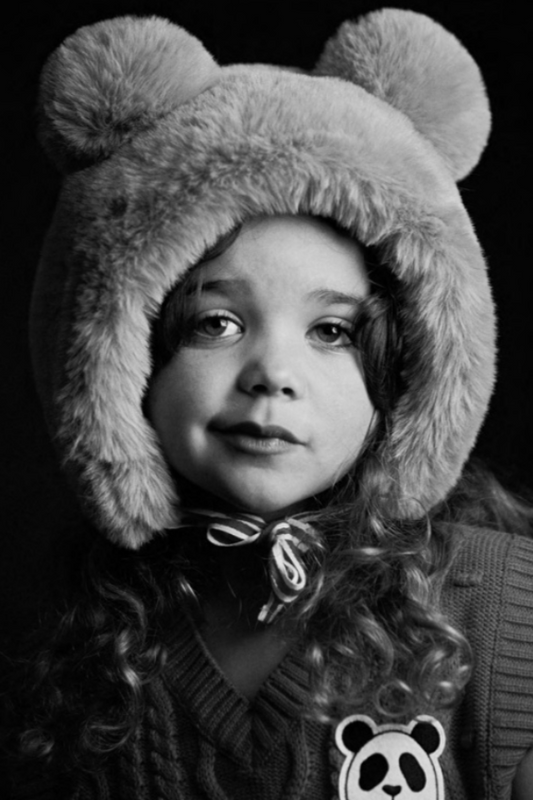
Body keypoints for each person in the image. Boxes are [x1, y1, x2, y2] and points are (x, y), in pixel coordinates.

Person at [3, 7, 533, 799]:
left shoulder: (505, 615)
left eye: (331, 330)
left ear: (409, 370)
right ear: (121, 360)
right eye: (216, 322)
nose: (272, 373)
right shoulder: (74, 640)